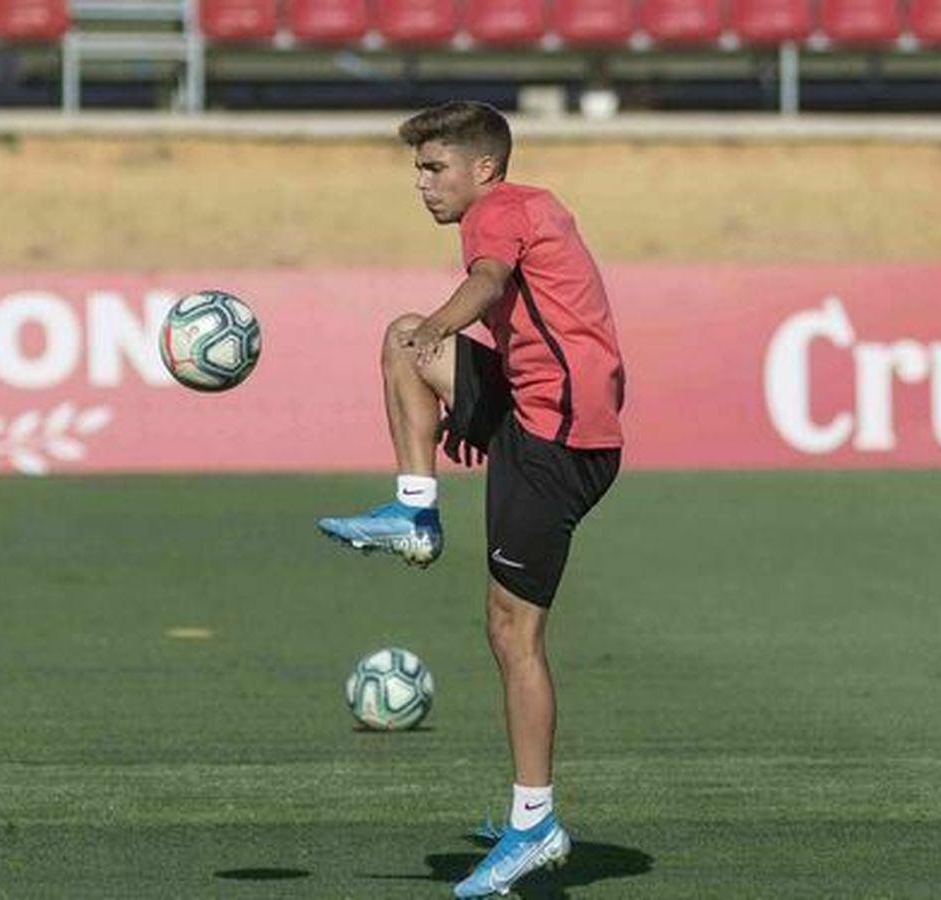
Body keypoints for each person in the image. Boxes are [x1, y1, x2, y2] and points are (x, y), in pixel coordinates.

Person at [317, 100, 626, 897]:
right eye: (418, 169)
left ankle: (536, 824)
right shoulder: (526, 206)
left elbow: (487, 285)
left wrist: (439, 332)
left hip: (556, 441)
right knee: (403, 337)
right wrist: (465, 393)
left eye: (435, 167)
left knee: (512, 631)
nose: (422, 183)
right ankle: (415, 510)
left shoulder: (496, 213)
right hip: (539, 409)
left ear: (483, 167)